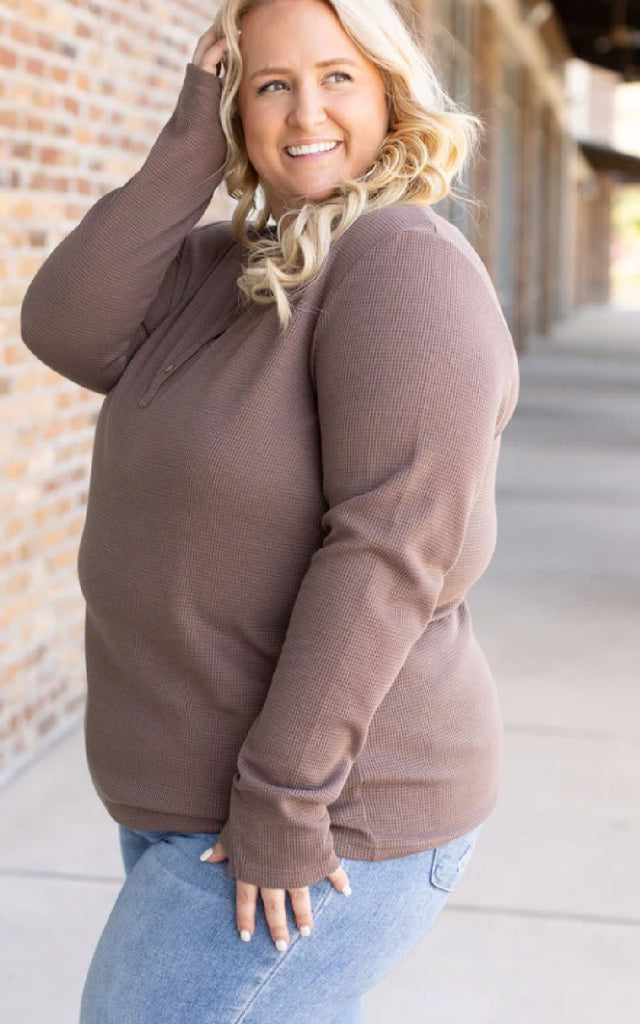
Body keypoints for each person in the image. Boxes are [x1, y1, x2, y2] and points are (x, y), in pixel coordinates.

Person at [20, 0, 520, 1021]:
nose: (305, 112)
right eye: (269, 83)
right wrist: (182, 146)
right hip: (187, 801)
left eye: (337, 75)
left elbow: (390, 551)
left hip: (323, 812)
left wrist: (286, 801)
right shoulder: (217, 267)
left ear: (388, 88)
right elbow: (64, 328)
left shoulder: (399, 261)